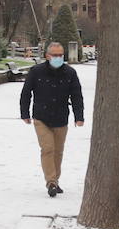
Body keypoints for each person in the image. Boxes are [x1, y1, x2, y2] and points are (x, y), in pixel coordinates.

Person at [19, 41, 85, 197]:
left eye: (60, 55)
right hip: (41, 117)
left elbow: (77, 96)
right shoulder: (36, 71)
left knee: (58, 152)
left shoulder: (70, 73)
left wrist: (79, 116)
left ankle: (55, 179)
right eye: (55, 55)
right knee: (48, 148)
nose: (58, 57)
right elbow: (26, 93)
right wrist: (25, 114)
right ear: (47, 56)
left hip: (61, 117)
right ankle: (51, 182)